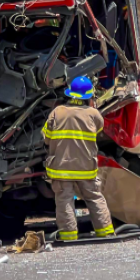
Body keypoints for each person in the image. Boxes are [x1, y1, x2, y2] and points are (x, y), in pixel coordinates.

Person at [43, 76, 114, 241]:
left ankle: (68, 236)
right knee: (94, 197)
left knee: (64, 200)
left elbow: (46, 138)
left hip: (61, 168)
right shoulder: (93, 114)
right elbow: (99, 131)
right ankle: (105, 232)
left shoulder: (57, 112)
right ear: (89, 96)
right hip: (85, 167)